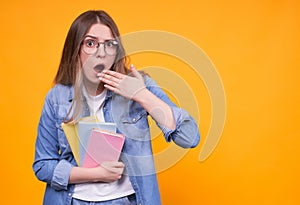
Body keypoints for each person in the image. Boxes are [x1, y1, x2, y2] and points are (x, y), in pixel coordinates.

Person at [33, 10, 200, 205]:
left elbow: (190, 137)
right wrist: (95, 174)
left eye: (109, 44)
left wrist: (141, 95)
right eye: (90, 43)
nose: (100, 52)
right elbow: (43, 165)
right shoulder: (57, 97)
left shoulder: (139, 84)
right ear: (75, 49)